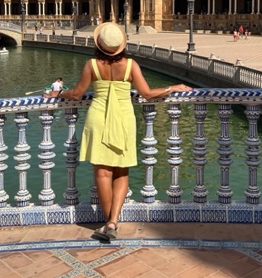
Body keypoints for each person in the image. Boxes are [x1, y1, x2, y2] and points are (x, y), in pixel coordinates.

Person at [48, 22, 191, 241]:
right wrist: (172, 88)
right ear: (121, 45)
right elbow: (148, 93)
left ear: (99, 44)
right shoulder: (131, 65)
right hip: (124, 118)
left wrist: (57, 94)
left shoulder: (92, 65)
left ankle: (109, 223)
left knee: (102, 172)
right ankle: (113, 220)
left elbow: (76, 94)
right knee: (121, 171)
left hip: (98, 117)